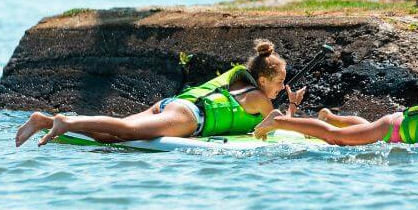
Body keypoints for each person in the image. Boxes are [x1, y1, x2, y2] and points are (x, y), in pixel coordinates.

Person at [15, 39, 305, 147]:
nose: (281, 88)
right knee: (127, 131)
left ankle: (45, 120)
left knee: (112, 136)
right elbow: (274, 125)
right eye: (280, 83)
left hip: (173, 105)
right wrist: (289, 109)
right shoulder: (260, 99)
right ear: (264, 79)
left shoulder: (245, 84)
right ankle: (68, 122)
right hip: (188, 117)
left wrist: (288, 106)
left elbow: (272, 122)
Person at [253, 69, 418, 146]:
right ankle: (278, 120)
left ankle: (330, 116)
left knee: (363, 130)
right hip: (394, 130)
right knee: (338, 139)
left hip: (397, 129)